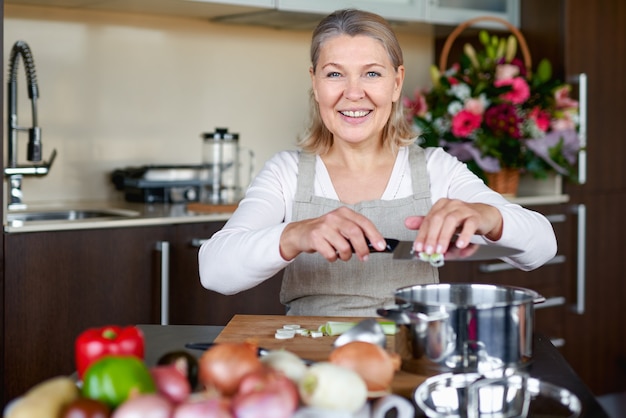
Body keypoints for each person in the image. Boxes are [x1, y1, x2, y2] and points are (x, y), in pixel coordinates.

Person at [198, 9, 557, 317]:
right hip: (311, 357)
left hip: (411, 353)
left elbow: (542, 247)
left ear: (396, 82)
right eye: (335, 74)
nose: (353, 93)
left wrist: (487, 216)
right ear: (315, 82)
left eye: (372, 73)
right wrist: (296, 234)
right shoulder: (286, 172)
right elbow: (214, 271)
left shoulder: (436, 169)